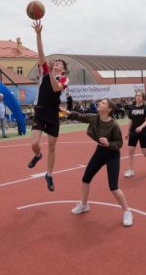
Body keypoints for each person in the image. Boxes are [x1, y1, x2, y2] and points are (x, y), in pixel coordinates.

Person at [61, 99, 133, 227]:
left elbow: (119, 144)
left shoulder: (114, 125)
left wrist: (109, 143)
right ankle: (84, 205)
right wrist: (66, 112)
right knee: (86, 179)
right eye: (100, 102)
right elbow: (80, 116)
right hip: (100, 152)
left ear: (109, 109)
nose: (100, 103)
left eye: (104, 103)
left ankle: (127, 212)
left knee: (113, 187)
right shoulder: (95, 118)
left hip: (112, 155)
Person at [27, 19, 69, 192]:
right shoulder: (45, 71)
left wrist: (52, 73)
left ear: (63, 70)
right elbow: (41, 53)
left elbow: (55, 88)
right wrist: (38, 34)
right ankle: (37, 155)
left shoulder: (64, 79)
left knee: (52, 146)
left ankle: (49, 174)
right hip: (40, 111)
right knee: (34, 143)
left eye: (60, 63)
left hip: (53, 114)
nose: (56, 62)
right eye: (56, 62)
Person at [124, 90, 146, 178]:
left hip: (144, 133)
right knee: (131, 151)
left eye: (140, 96)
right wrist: (127, 132)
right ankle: (131, 170)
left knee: (145, 151)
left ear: (142, 98)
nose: (138, 97)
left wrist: (141, 127)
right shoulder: (132, 108)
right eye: (137, 95)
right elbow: (130, 121)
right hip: (133, 133)